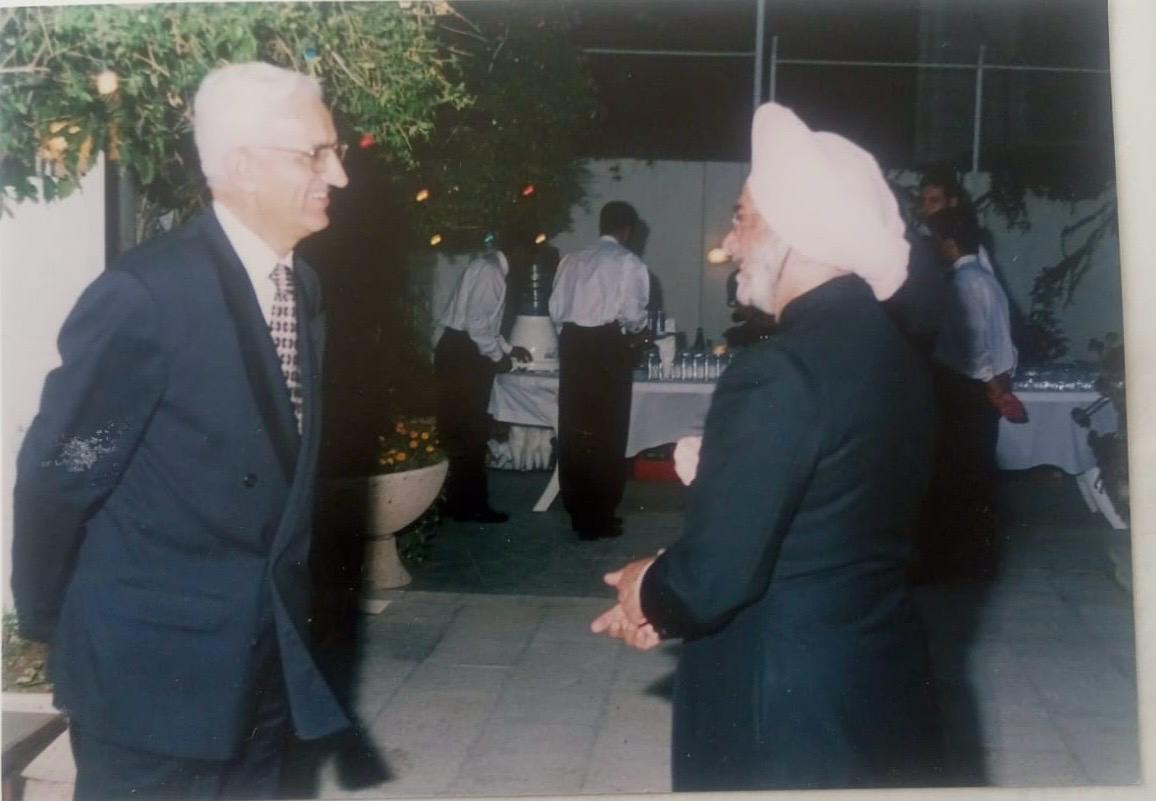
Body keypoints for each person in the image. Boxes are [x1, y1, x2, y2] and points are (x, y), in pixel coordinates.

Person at [11, 62, 351, 800]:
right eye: (315, 155)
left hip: (262, 665)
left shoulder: (301, 287)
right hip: (151, 681)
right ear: (243, 166)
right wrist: (50, 619)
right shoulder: (147, 296)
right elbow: (60, 473)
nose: (339, 174)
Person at [591, 102, 946, 791]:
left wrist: (650, 589)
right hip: (878, 683)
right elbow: (824, 523)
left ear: (796, 230)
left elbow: (714, 579)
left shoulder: (778, 368)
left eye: (743, 218)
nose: (729, 243)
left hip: (782, 707)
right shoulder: (899, 358)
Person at [915, 204, 1027, 581]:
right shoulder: (985, 279)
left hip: (965, 390)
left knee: (955, 476)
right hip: (980, 390)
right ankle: (971, 560)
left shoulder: (964, 283)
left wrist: (990, 385)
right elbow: (1003, 343)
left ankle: (953, 563)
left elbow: (974, 347)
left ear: (949, 242)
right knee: (973, 474)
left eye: (936, 240)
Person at [549, 201, 650, 540]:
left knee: (575, 427)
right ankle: (601, 514)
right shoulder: (628, 262)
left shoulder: (571, 260)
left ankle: (579, 511)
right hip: (607, 344)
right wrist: (637, 331)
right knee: (608, 429)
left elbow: (556, 310)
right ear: (627, 231)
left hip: (573, 344)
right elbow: (634, 315)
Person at [435, 228, 534, 523]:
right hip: (464, 355)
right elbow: (477, 326)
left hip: (458, 349)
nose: (529, 262)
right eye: (529, 255)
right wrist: (499, 358)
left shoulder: (487, 266)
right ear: (518, 251)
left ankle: (458, 502)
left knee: (462, 431)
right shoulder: (492, 273)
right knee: (471, 432)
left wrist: (509, 349)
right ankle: (472, 505)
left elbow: (484, 325)